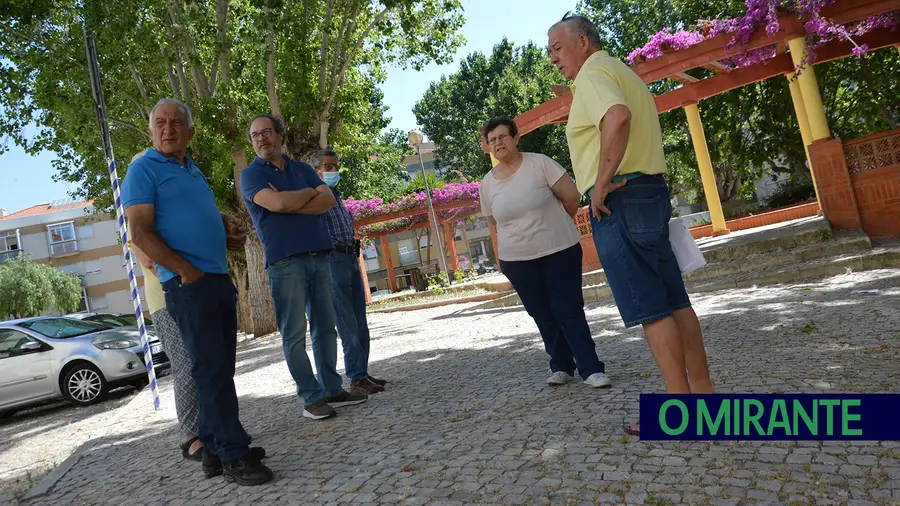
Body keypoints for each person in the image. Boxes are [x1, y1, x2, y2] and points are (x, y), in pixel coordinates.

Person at [548, 14, 714, 436]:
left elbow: (617, 117)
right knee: (676, 301)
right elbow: (623, 114)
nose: (553, 58)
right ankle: (705, 401)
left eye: (557, 48)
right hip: (650, 191)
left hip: (620, 200)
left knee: (653, 309)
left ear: (583, 42)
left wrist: (599, 185)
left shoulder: (592, 74)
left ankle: (679, 417)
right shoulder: (621, 69)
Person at [122, 98, 272, 485]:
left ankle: (213, 449)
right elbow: (138, 231)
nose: (168, 129)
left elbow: (196, 214)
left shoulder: (192, 170)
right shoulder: (143, 169)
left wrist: (226, 229)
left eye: (176, 123)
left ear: (190, 131)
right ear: (151, 130)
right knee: (211, 371)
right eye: (160, 122)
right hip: (189, 283)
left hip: (216, 277)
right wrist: (184, 270)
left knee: (220, 368)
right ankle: (235, 455)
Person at [240, 114, 367, 421]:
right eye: (255, 135)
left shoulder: (300, 169)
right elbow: (277, 204)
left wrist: (292, 200)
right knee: (294, 334)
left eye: (266, 132)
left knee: (325, 327)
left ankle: (332, 389)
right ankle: (311, 397)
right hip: (284, 263)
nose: (260, 139)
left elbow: (327, 202)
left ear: (280, 134)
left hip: (320, 256)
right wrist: (307, 195)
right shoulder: (250, 175)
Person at [479, 116, 611, 389]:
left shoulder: (540, 163)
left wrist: (556, 224)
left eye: (503, 137)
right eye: (493, 140)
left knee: (568, 309)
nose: (498, 143)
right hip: (517, 261)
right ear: (488, 147)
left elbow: (571, 196)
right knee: (541, 313)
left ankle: (591, 368)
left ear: (516, 138)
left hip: (559, 250)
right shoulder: (487, 184)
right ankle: (561, 365)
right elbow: (494, 221)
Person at [127, 152, 202, 462]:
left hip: (193, 292)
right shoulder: (138, 228)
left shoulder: (173, 216)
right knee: (185, 364)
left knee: (206, 363)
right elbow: (153, 261)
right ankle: (190, 435)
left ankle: (212, 426)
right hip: (164, 301)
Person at [310, 149, 387, 395]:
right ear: (316, 171)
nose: (333, 171)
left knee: (360, 323)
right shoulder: (314, 197)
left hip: (349, 257)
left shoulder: (337, 196)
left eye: (335, 166)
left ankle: (362, 373)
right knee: (347, 324)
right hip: (332, 261)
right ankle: (355, 378)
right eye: (327, 166)